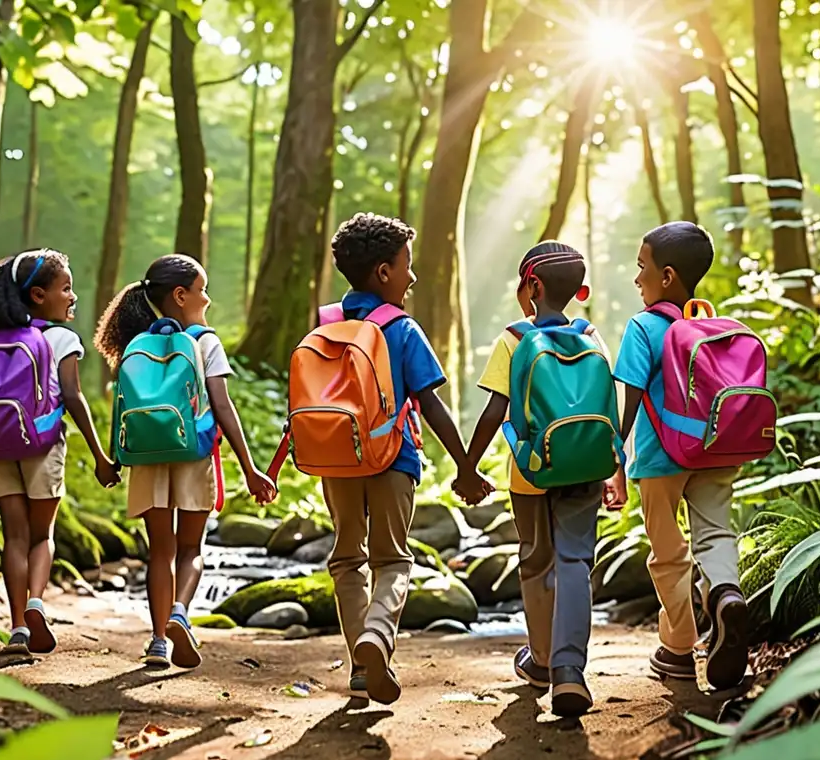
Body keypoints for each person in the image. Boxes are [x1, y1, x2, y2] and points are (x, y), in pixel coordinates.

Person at [318, 213, 492, 706]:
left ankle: (359, 664)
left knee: (347, 559)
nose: (412, 276)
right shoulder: (401, 328)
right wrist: (465, 466)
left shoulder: (326, 323)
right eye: (406, 266)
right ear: (383, 273)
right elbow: (431, 404)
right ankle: (377, 634)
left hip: (336, 459)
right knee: (392, 559)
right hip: (393, 457)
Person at [94, 254, 275, 669]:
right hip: (192, 453)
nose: (207, 299)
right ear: (181, 295)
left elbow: (122, 406)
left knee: (160, 550)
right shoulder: (204, 342)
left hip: (146, 457)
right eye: (202, 289)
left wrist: (113, 459)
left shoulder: (136, 344)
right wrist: (250, 469)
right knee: (191, 546)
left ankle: (158, 641)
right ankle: (180, 611)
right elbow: (223, 407)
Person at [464, 240, 613, 718]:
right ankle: (570, 670)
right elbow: (605, 406)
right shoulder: (592, 335)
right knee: (575, 561)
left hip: (531, 471)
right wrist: (618, 468)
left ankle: (542, 658)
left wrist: (467, 468)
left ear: (532, 285)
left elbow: (494, 412)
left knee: (534, 559)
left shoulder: (512, 339)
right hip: (587, 464)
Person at [606, 222, 749, 690]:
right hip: (716, 451)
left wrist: (615, 462)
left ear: (666, 276)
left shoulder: (643, 327)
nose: (636, 278)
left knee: (668, 553)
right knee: (716, 534)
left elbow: (628, 401)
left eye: (642, 268)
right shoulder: (711, 325)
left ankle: (678, 648)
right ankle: (726, 594)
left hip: (660, 457)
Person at [0, 249, 120, 655]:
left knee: (13, 536)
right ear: (37, 294)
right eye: (64, 288)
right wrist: (101, 457)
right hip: (41, 444)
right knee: (42, 535)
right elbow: (72, 397)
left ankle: (17, 628)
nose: (72, 296)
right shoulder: (61, 338)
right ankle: (36, 602)